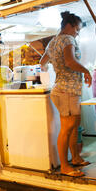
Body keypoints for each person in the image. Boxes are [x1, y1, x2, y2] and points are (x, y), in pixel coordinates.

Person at [40, 11, 92, 177]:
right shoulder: (68, 39)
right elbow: (70, 61)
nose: (78, 32)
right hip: (66, 90)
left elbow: (42, 62)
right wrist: (86, 72)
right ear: (69, 26)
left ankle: (75, 158)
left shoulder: (53, 41)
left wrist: (54, 71)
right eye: (77, 29)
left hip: (64, 88)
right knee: (67, 128)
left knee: (74, 125)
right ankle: (64, 166)